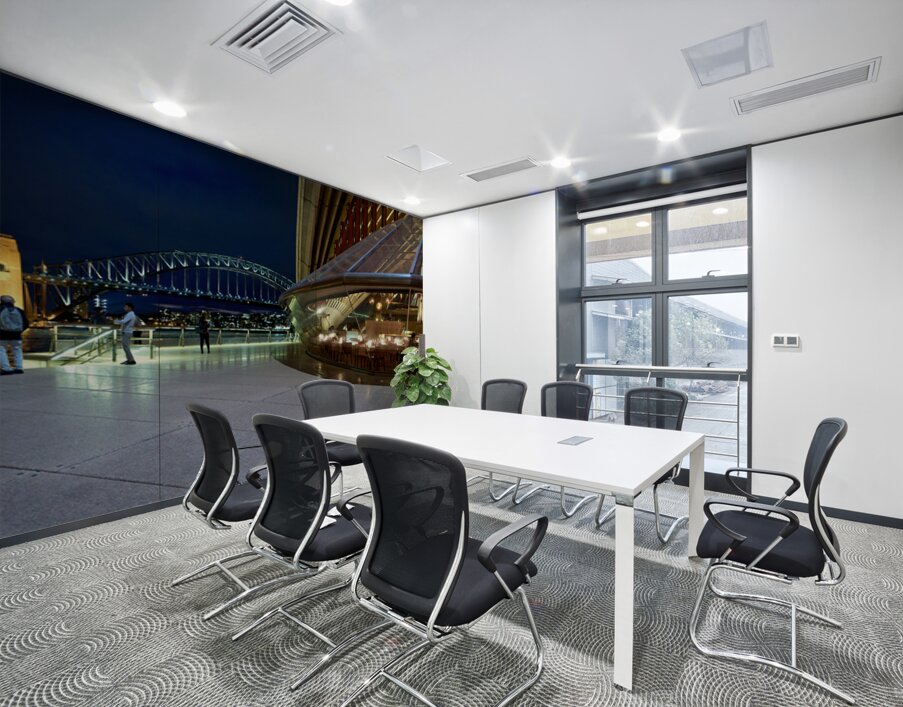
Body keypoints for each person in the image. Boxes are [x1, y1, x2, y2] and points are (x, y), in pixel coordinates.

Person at [0, 294, 28, 375]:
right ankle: (19, 368)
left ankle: (6, 369)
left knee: (1, 350)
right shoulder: (19, 310)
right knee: (17, 350)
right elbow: (26, 323)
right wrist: (19, 331)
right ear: (12, 302)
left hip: (2, 335)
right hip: (16, 335)